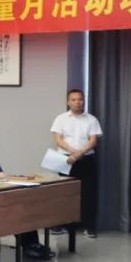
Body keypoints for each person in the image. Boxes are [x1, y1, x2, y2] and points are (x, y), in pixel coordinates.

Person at [51, 89, 102, 238]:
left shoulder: (91, 119)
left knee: (88, 194)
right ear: (68, 102)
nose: (77, 102)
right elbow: (58, 139)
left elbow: (93, 141)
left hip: (86, 160)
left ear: (84, 101)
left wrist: (79, 153)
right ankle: (62, 225)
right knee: (64, 193)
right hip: (65, 160)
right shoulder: (61, 118)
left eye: (80, 99)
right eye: (73, 100)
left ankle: (89, 227)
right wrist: (73, 152)